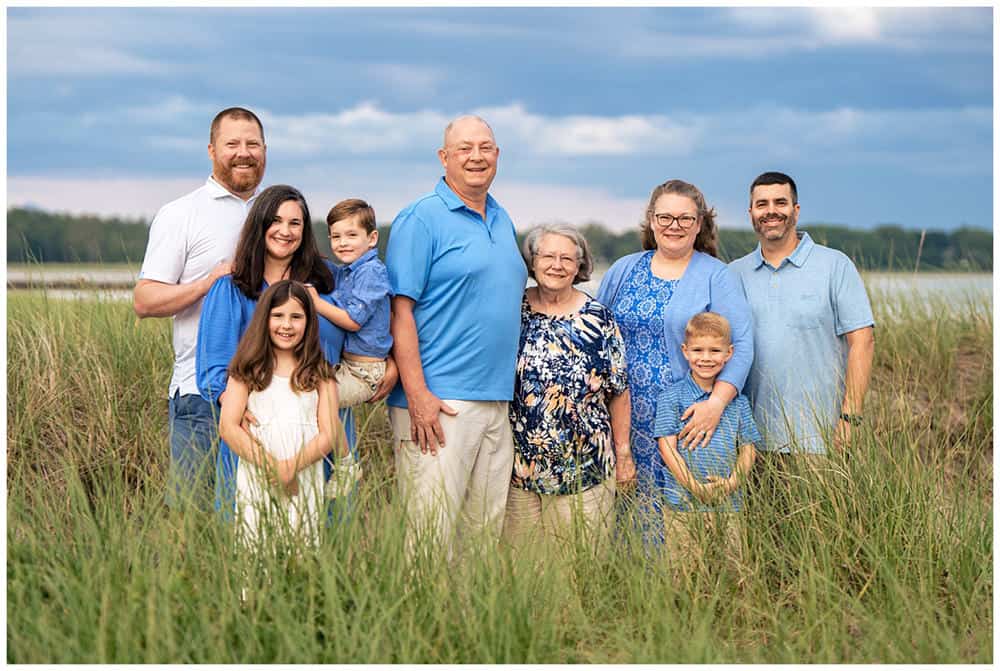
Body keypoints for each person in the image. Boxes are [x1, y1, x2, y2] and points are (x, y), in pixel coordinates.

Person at [385, 115, 527, 559]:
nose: (476, 157)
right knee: (429, 540)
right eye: (464, 148)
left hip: (497, 401)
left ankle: (467, 630)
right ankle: (422, 628)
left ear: (498, 156)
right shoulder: (420, 219)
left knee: (480, 541)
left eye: (485, 147)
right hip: (439, 403)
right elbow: (399, 310)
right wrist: (419, 395)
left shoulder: (502, 218)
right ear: (444, 157)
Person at [197, 184, 370, 517]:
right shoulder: (231, 289)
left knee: (326, 530)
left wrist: (383, 366)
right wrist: (233, 410)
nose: (285, 231)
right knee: (252, 528)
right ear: (259, 225)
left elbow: (366, 323)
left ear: (306, 230)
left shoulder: (330, 282)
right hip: (258, 426)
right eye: (275, 221)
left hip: (325, 421)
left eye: (296, 223)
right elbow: (212, 368)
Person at [595, 179, 753, 544]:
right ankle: (626, 592)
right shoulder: (623, 269)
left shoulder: (716, 275)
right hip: (620, 418)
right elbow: (596, 329)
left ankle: (679, 595)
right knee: (621, 510)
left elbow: (741, 345)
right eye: (665, 216)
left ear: (700, 224)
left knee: (680, 525)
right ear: (651, 220)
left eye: (685, 218)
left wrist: (715, 405)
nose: (674, 225)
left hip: (686, 421)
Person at [133, 107, 266, 509]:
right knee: (195, 519)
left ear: (265, 150)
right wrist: (208, 282)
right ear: (212, 150)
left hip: (269, 394)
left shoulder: (276, 214)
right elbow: (144, 300)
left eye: (253, 144)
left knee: (256, 518)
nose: (244, 153)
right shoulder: (182, 213)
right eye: (232, 144)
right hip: (201, 395)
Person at [501, 224, 634, 551]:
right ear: (532, 262)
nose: (556, 265)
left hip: (585, 465)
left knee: (581, 567)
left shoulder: (599, 318)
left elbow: (619, 390)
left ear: (580, 266)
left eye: (566, 258)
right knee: (525, 569)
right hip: (519, 467)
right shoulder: (512, 310)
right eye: (547, 256)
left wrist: (624, 452)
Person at [729, 172, 875, 461]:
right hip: (749, 445)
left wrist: (850, 419)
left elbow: (863, 341)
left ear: (796, 210)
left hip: (820, 440)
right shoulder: (734, 273)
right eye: (762, 204)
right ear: (751, 213)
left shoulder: (835, 265)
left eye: (780, 202)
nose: (771, 211)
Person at [219, 280, 346, 548]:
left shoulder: (320, 373)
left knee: (302, 551)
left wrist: (291, 468)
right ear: (265, 318)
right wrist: (275, 469)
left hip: (304, 477)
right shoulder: (247, 369)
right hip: (258, 474)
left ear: (309, 322)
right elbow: (228, 427)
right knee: (256, 551)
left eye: (296, 317)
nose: (286, 325)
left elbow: (329, 432)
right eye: (278, 316)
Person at [654, 312, 761, 565]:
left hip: (729, 504)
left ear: (729, 353)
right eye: (698, 350)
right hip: (683, 503)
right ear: (685, 351)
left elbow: (748, 448)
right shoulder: (671, 398)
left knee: (732, 569)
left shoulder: (737, 402)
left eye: (715, 351)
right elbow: (666, 448)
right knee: (685, 571)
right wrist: (695, 487)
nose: (705, 358)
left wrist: (733, 482)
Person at [305, 198, 392, 408]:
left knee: (316, 401)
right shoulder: (346, 272)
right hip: (349, 365)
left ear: (372, 239)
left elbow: (353, 321)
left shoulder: (371, 272)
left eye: (351, 235)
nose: (342, 243)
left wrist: (316, 302)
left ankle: (335, 442)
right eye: (336, 237)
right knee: (310, 393)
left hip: (365, 372)